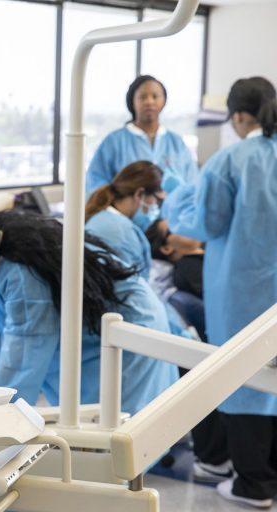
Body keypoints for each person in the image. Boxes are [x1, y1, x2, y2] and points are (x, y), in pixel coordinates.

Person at [0, 203, 178, 416]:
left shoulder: (23, 275)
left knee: (111, 433)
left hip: (126, 331)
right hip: (85, 334)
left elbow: (21, 366)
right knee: (81, 426)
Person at [166, 76, 277, 509]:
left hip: (243, 286)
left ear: (237, 115)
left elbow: (206, 224)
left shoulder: (231, 160)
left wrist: (176, 199)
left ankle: (254, 484)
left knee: (243, 375)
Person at [144, 220, 232, 484]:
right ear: (168, 249)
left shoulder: (202, 260)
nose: (187, 226)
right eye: (174, 229)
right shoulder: (185, 273)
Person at [85, 75, 198, 196]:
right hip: (124, 215)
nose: (149, 102)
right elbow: (95, 183)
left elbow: (192, 185)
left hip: (172, 214)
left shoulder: (177, 143)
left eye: (155, 96)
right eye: (142, 97)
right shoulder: (114, 142)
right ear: (132, 102)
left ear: (164, 101)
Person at [85, 160, 164, 279]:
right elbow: (131, 289)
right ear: (139, 194)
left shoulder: (105, 219)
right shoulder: (119, 233)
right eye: (157, 200)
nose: (156, 207)